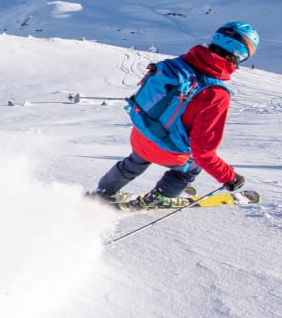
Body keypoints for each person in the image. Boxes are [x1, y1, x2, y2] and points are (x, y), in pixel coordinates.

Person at [93, 21, 259, 208]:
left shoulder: (177, 64)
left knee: (134, 162)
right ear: (242, 55)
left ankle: (101, 193)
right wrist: (229, 177)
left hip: (140, 134)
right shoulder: (215, 93)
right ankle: (160, 198)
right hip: (169, 151)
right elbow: (203, 153)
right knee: (190, 169)